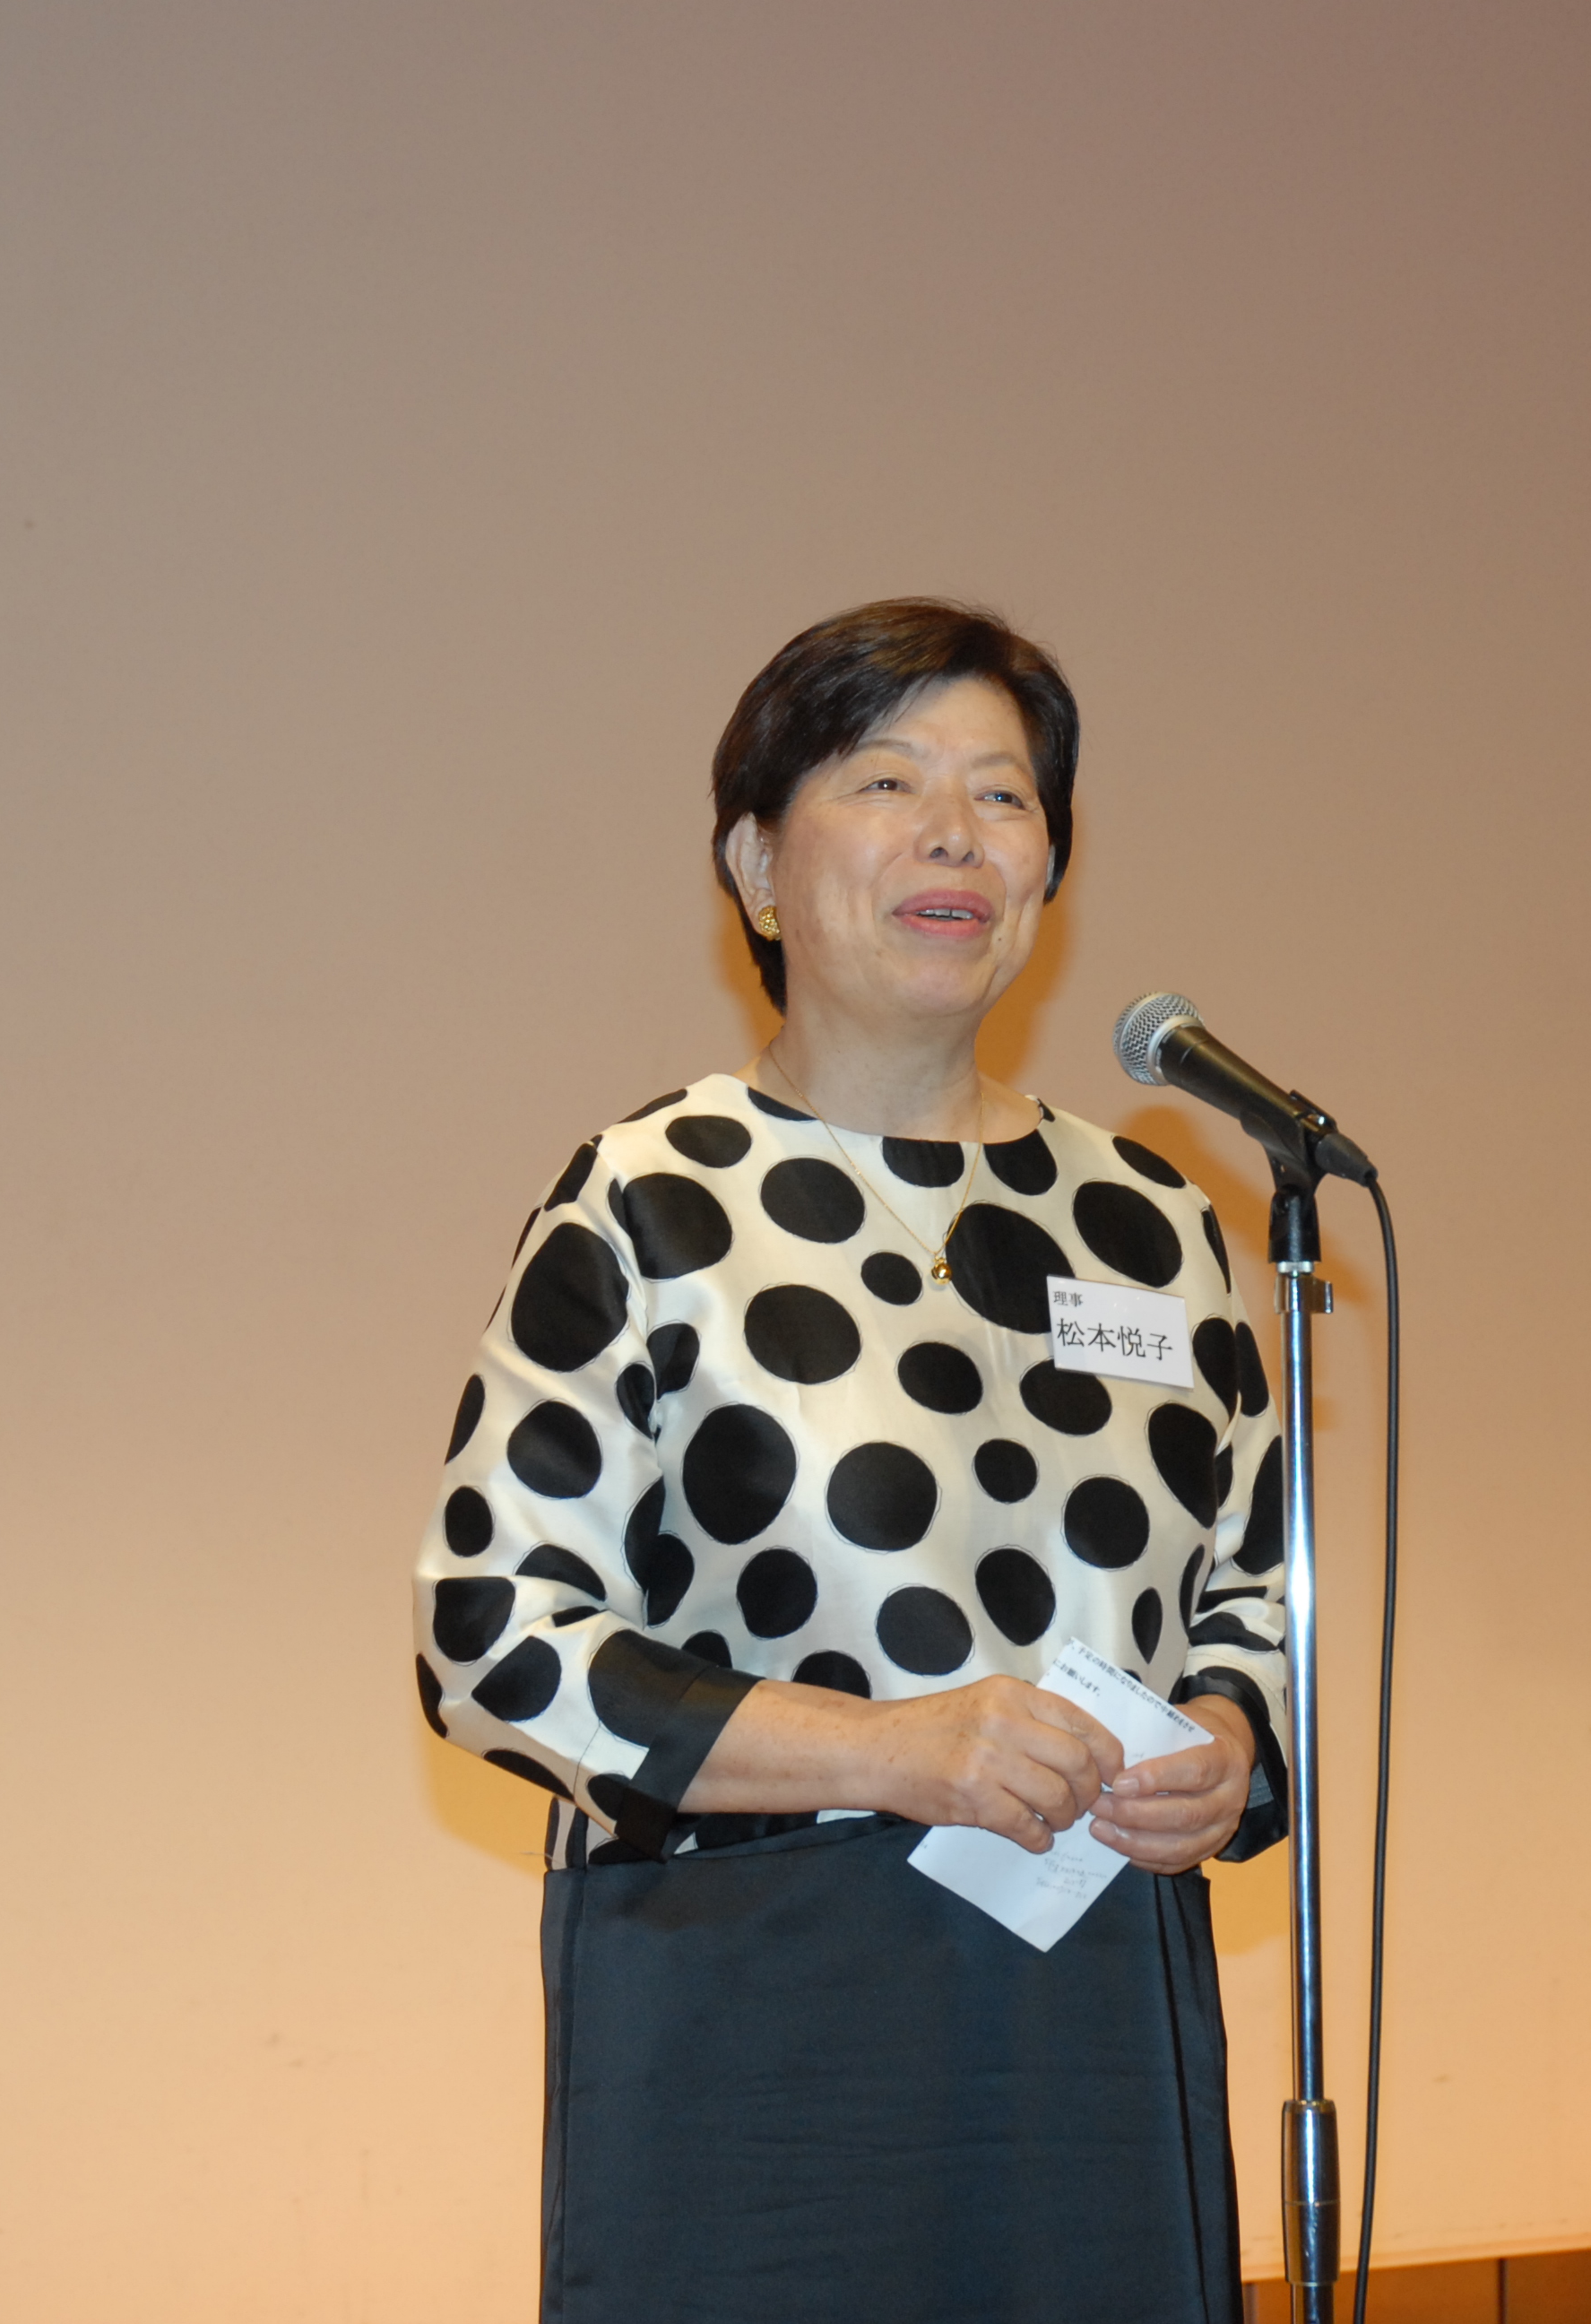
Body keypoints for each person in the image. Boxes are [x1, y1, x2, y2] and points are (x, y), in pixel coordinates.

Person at [415, 599, 1291, 2323]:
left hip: (1094, 2006)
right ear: (755, 863)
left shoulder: (1153, 1223)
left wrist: (1232, 1740)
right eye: (888, 781)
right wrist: (895, 1751)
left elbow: (1254, 1594)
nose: (956, 832)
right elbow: (491, 1642)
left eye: (1005, 795)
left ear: (1047, 873)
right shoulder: (654, 1200)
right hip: (761, 2021)